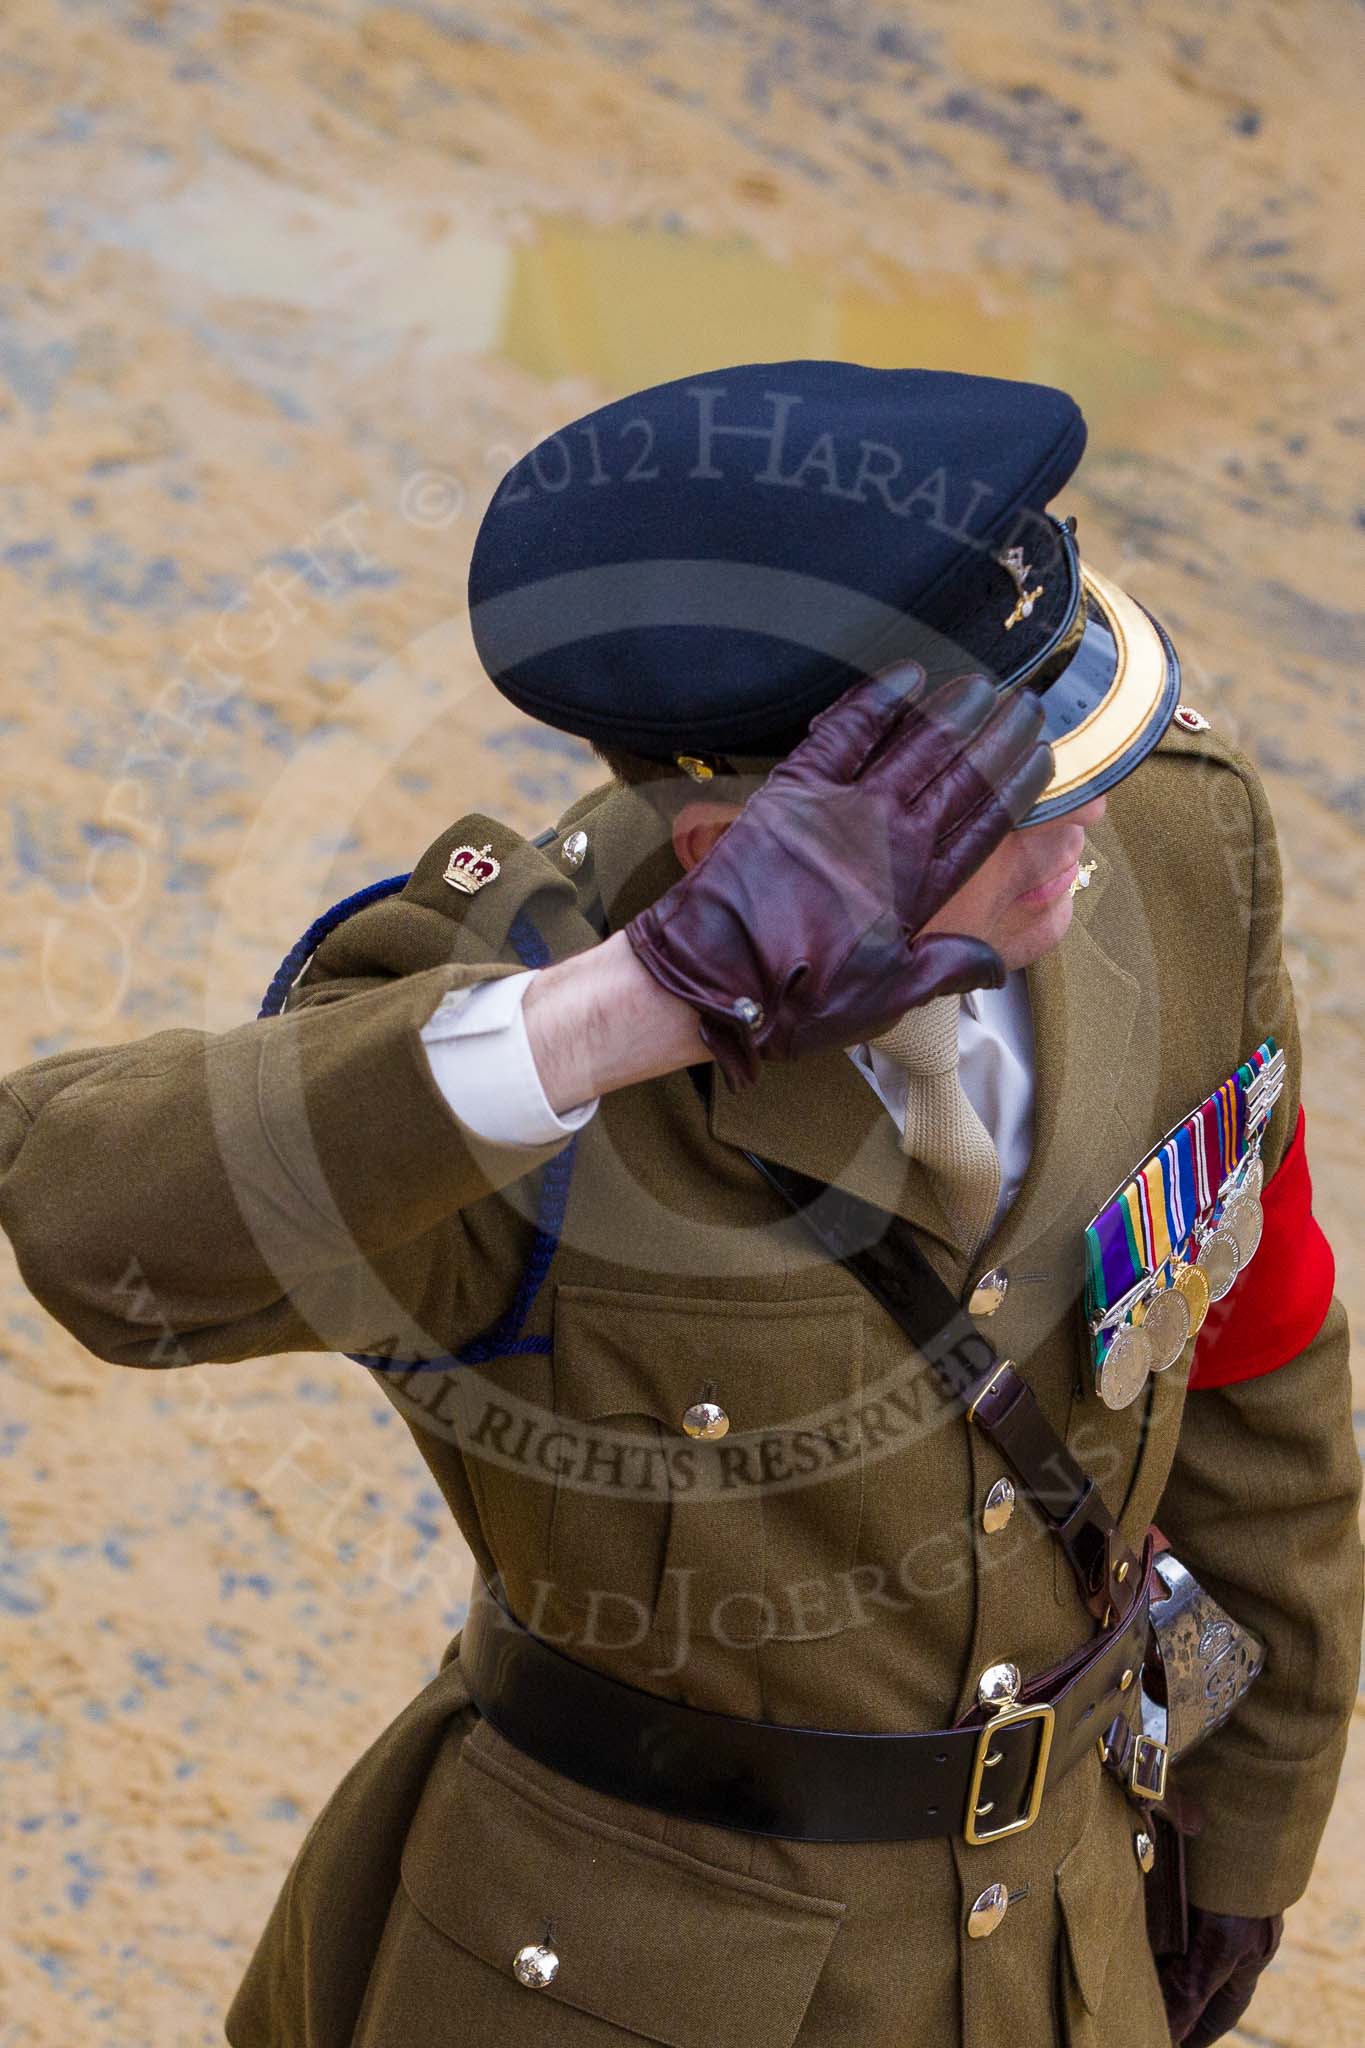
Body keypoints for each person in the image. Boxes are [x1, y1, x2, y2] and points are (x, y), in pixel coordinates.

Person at [0, 362, 1358, 2048]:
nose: (1080, 833)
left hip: (1057, 1947)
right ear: (731, 851)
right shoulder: (504, 1023)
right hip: (624, 1978)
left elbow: (1251, 1359)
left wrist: (1252, 1817)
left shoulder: (1175, 845)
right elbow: (89, 1228)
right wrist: (630, 1007)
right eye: (1002, 805)